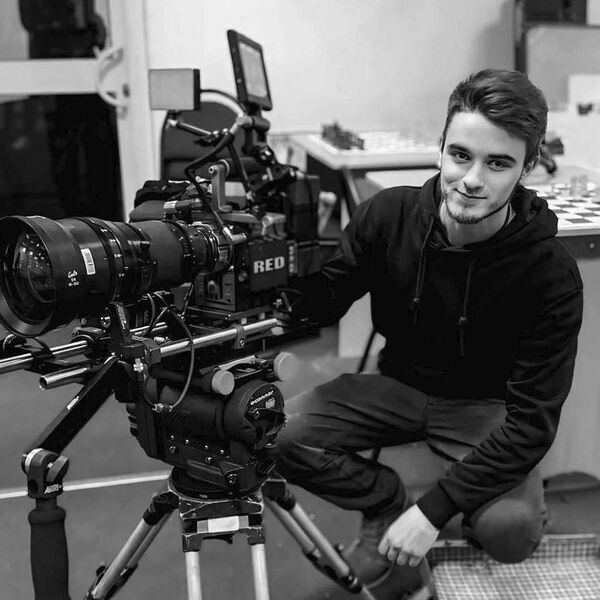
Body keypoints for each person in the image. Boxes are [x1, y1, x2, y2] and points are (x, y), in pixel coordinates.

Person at [276, 69, 583, 586]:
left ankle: (478, 505)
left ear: (528, 167)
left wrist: (432, 513)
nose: (472, 180)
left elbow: (532, 424)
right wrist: (285, 272)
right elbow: (326, 300)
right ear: (440, 149)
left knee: (511, 532)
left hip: (485, 406)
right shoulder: (388, 215)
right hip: (398, 385)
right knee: (275, 432)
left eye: (498, 163)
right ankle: (382, 502)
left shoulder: (549, 274)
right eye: (460, 155)